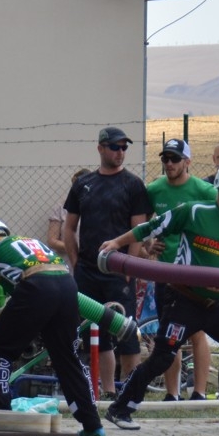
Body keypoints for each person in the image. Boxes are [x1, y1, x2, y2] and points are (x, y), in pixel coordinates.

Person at [100, 164, 219, 431]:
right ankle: (120, 409)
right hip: (183, 300)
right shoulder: (194, 211)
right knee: (163, 357)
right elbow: (153, 226)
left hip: (215, 305)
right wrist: (117, 243)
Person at [0, 219, 105, 436]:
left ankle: (4, 418)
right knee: (67, 358)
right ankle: (93, 425)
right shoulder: (28, 242)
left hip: (37, 287)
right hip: (67, 285)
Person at [62, 127, 151, 397]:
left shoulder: (133, 184)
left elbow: (139, 229)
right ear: (100, 148)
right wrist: (76, 262)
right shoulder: (83, 184)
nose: (120, 152)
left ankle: (131, 394)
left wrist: (130, 266)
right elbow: (69, 227)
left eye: (124, 148)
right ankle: (109, 392)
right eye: (115, 147)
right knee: (95, 335)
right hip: (87, 271)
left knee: (127, 335)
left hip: (119, 272)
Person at [146, 137, 217, 401]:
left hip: (195, 272)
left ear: (187, 161)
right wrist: (148, 244)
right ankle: (172, 393)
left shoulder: (204, 190)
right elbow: (142, 224)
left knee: (197, 331)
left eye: (175, 159)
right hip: (166, 273)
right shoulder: (154, 190)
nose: (169, 163)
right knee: (169, 334)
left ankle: (199, 392)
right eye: (165, 158)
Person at [44, 168, 89, 258]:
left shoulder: (98, 207)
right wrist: (75, 248)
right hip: (66, 260)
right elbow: (52, 241)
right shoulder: (61, 207)